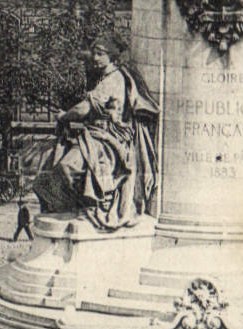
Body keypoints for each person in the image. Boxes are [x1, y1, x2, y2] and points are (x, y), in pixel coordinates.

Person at [33, 42, 160, 232]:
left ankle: (91, 208)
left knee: (67, 167)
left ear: (112, 56)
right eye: (94, 53)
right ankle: (81, 207)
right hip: (95, 134)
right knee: (55, 169)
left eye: (100, 53)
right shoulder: (108, 77)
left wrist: (64, 116)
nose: (95, 57)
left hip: (106, 139)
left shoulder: (113, 79)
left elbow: (83, 108)